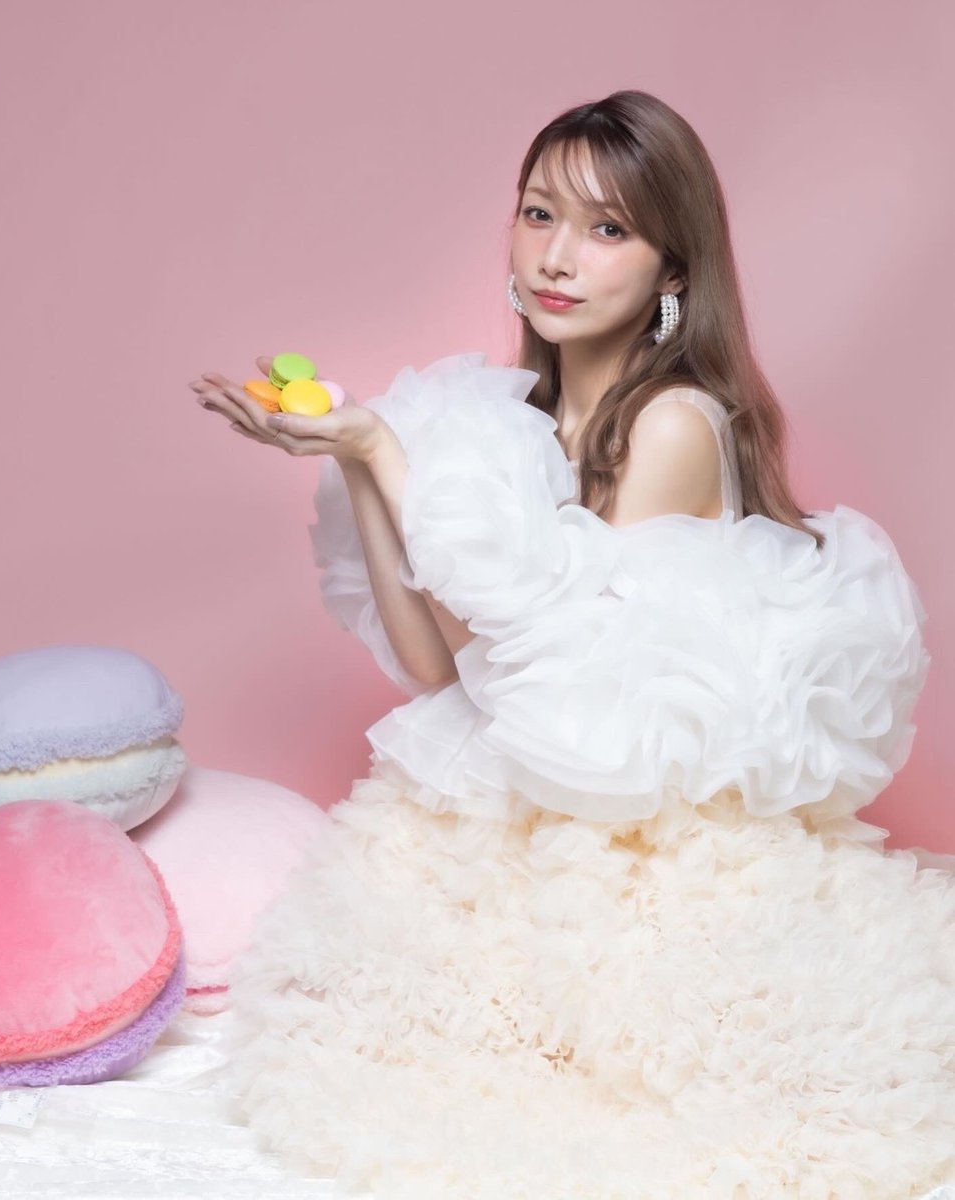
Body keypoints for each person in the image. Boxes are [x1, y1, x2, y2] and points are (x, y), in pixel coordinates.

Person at [191, 90, 955, 1200]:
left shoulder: (674, 423)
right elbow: (438, 667)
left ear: (671, 269)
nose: (557, 256)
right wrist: (361, 460)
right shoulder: (526, 422)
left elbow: (553, 669)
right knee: (368, 1039)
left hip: (633, 832)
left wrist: (387, 450)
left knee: (622, 1096)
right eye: (539, 214)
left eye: (607, 229)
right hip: (536, 781)